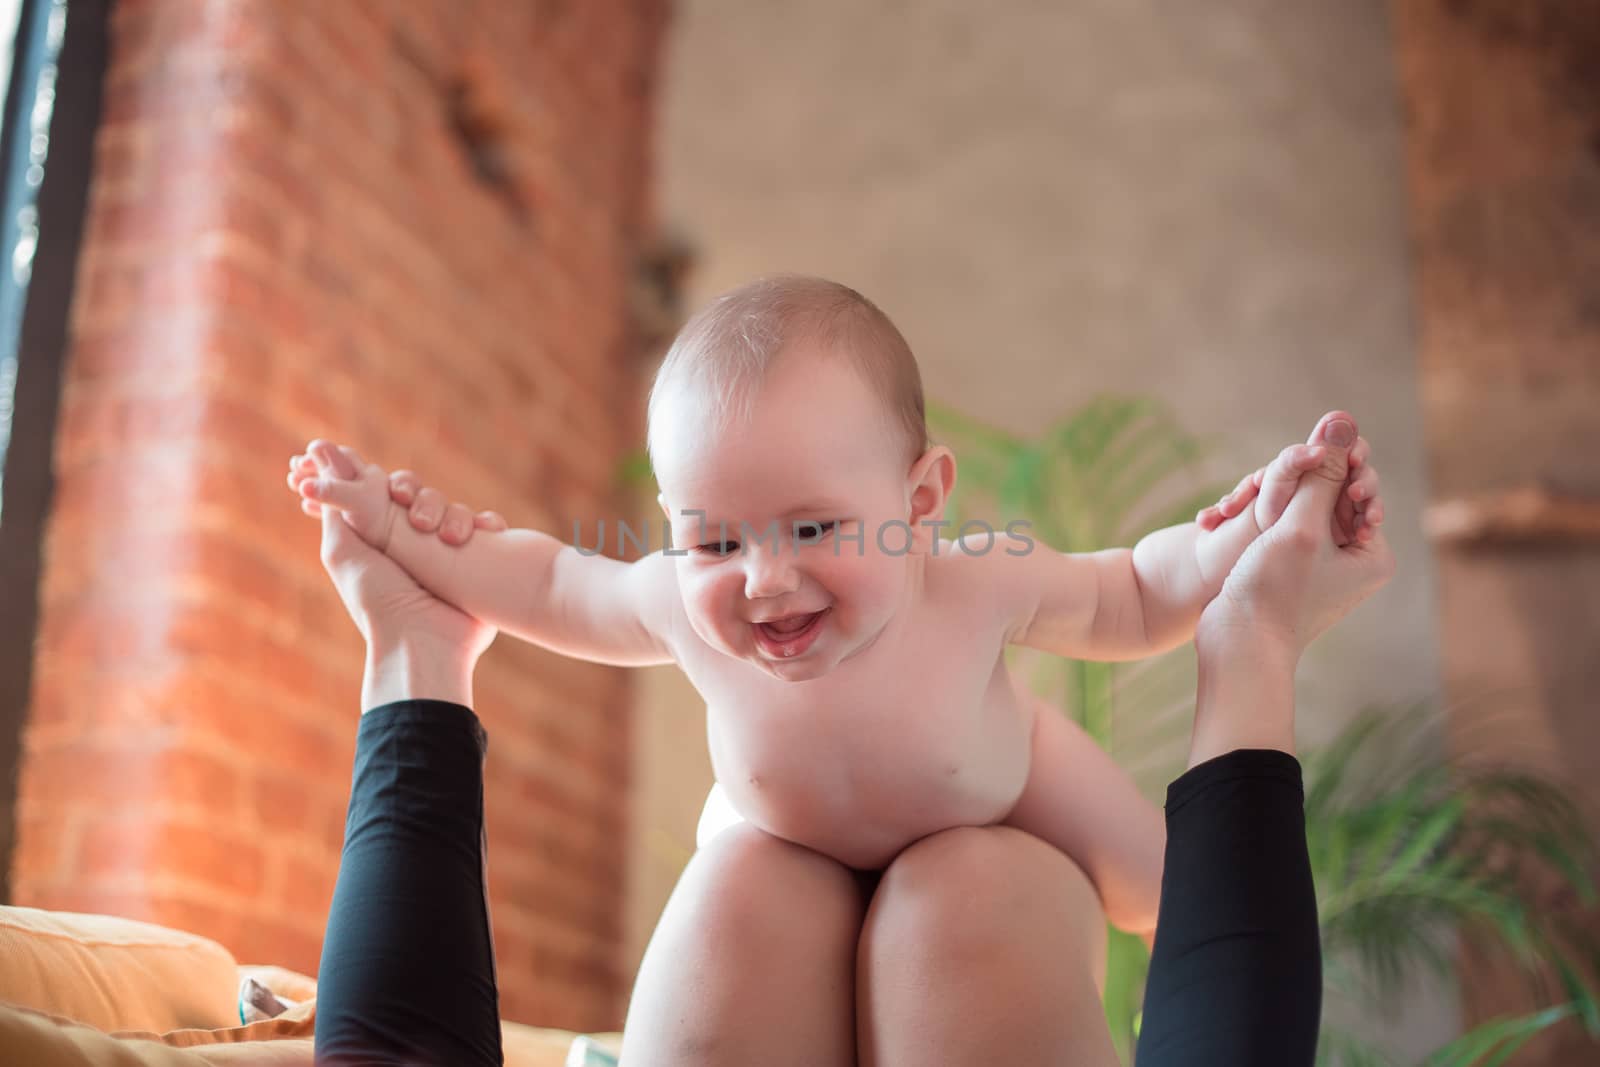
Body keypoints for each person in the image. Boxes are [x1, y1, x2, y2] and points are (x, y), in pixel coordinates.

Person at [286, 276, 1388, 993]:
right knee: (733, 908)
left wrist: (1241, 527)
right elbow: (552, 581)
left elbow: (1132, 595)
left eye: (813, 525)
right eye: (712, 538)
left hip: (995, 778)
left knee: (1159, 881)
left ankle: (1169, 1016)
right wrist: (395, 522)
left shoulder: (969, 583)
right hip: (790, 835)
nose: (764, 579)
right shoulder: (679, 602)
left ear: (922, 499)